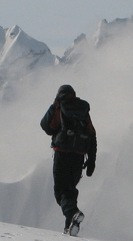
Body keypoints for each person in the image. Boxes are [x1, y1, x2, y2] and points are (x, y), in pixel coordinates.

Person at [39, 84, 97, 236]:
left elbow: (46, 126)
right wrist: (91, 161)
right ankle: (70, 226)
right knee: (70, 189)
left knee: (60, 191)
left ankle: (72, 214)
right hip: (79, 156)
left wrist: (54, 105)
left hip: (62, 154)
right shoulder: (83, 109)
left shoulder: (59, 105)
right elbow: (91, 134)